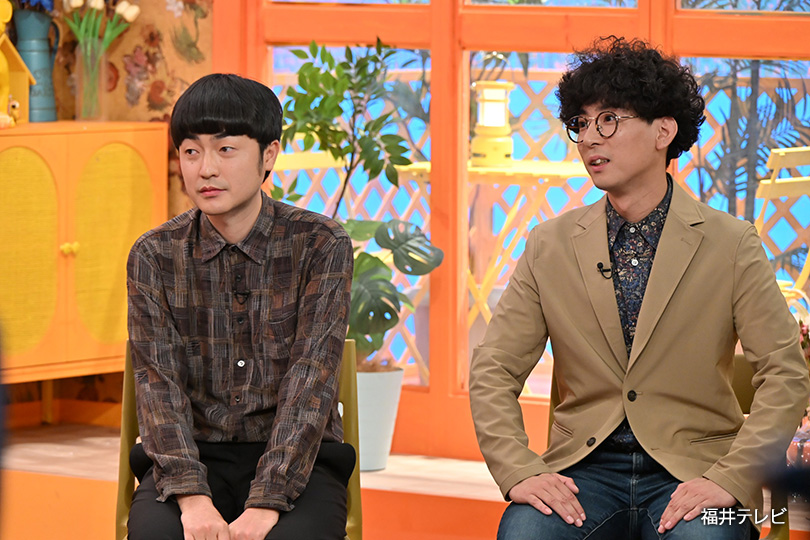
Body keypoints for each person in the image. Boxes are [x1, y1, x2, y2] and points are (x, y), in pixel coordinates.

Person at [469, 36, 810, 540]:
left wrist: (730, 478)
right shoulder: (549, 245)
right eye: (581, 123)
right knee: (525, 533)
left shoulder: (732, 243)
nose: (589, 138)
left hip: (696, 470)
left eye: (608, 119)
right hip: (584, 472)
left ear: (663, 132)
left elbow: (785, 373)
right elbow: (493, 369)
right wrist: (519, 469)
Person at [126, 73, 355, 540]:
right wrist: (193, 498)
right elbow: (158, 388)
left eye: (225, 149)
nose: (205, 169)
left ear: (268, 154)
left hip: (300, 460)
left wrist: (267, 501)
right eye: (191, 151)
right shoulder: (154, 255)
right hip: (189, 458)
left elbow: (310, 382)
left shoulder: (320, 244)